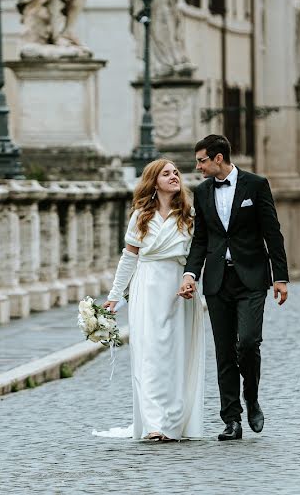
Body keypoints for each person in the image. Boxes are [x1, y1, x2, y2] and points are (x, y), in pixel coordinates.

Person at [179, 135, 289, 441]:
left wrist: (280, 276)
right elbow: (201, 238)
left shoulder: (256, 185)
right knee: (225, 352)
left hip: (252, 277)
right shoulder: (202, 192)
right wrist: (191, 273)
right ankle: (231, 419)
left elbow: (272, 232)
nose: (197, 166)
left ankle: (251, 398)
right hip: (217, 280)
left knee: (249, 343)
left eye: (201, 160)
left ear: (218, 158)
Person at [101, 159, 205, 441]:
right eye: (166, 173)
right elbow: (129, 257)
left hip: (178, 285)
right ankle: (153, 423)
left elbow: (198, 254)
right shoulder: (140, 216)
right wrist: (114, 296)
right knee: (149, 355)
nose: (174, 177)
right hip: (147, 287)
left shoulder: (189, 214)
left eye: (176, 173)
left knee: (176, 355)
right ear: (153, 181)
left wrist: (191, 279)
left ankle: (172, 422)